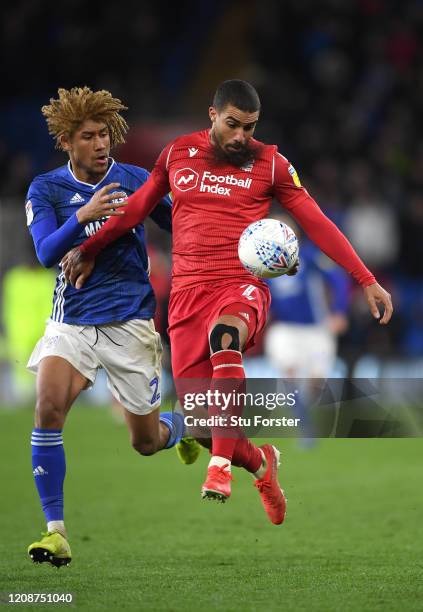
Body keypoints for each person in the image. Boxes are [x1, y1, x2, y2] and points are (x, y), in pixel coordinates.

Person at [62, 80, 393, 527]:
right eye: (233, 125)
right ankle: (261, 463)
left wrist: (365, 278)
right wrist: (91, 247)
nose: (241, 136)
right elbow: (138, 207)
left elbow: (316, 222)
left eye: (250, 127)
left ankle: (218, 468)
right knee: (200, 422)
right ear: (213, 115)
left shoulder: (271, 163)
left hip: (240, 286)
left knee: (226, 338)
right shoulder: (177, 154)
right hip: (186, 295)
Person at [25, 87, 185, 567]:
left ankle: (183, 427)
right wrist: (83, 217)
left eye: (105, 135)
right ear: (67, 143)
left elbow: (180, 224)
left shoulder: (137, 179)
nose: (100, 144)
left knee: (145, 442)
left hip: (129, 322)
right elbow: (46, 253)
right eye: (89, 136)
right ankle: (55, 532)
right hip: (70, 321)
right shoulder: (46, 189)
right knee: (47, 408)